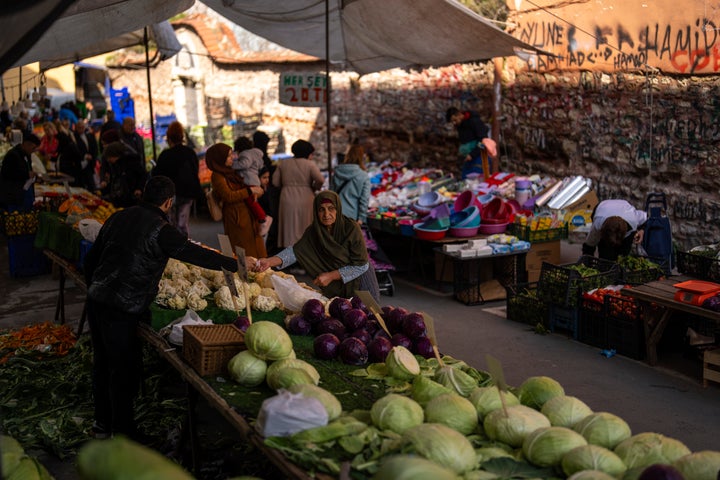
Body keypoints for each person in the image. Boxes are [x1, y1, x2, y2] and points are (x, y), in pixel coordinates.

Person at [83, 175, 239, 441]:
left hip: (97, 299)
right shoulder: (162, 230)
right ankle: (124, 435)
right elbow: (193, 253)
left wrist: (96, 288)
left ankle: (102, 424)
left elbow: (91, 260)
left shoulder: (118, 217)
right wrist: (233, 264)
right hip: (122, 307)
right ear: (169, 202)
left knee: (102, 364)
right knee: (122, 370)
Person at [254, 190, 380, 301]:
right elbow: (295, 252)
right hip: (337, 287)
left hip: (361, 281)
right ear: (316, 211)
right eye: (321, 209)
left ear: (338, 209)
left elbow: (361, 265)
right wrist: (269, 262)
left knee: (368, 318)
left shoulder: (351, 228)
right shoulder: (314, 231)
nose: (326, 214)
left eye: (331, 208)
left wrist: (331, 276)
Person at [206, 142, 267, 258]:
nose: (233, 158)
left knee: (256, 250)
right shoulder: (218, 176)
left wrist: (255, 191)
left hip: (248, 215)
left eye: (231, 154)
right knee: (244, 253)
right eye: (228, 156)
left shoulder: (231, 172)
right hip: (236, 218)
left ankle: (259, 274)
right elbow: (228, 196)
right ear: (220, 158)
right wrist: (250, 191)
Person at [152, 121, 203, 237]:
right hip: (188, 193)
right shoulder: (190, 153)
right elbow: (195, 171)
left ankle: (174, 247)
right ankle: (184, 246)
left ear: (169, 138)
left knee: (171, 224)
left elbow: (158, 174)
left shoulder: (166, 155)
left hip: (171, 195)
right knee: (182, 223)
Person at [272, 139, 325, 248]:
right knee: (305, 225)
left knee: (289, 227)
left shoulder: (283, 164)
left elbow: (275, 182)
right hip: (306, 196)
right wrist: (315, 188)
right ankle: (304, 251)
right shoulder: (310, 164)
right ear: (307, 153)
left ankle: (288, 253)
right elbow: (320, 179)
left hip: (286, 197)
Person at [582, 199, 647, 261]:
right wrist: (587, 263)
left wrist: (641, 230)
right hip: (603, 207)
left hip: (624, 208)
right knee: (605, 255)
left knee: (623, 254)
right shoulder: (597, 225)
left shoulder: (633, 219)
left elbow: (646, 218)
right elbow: (589, 246)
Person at [446, 106, 497, 179]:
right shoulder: (460, 126)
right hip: (468, 158)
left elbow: (483, 142)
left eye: (455, 120)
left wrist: (472, 154)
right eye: (452, 122)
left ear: (459, 114)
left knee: (478, 181)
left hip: (479, 157)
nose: (454, 123)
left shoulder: (475, 122)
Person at [233, 136, 270, 236]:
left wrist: (233, 165)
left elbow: (244, 164)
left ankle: (263, 219)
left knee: (251, 202)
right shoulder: (256, 154)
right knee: (253, 201)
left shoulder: (245, 154)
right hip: (255, 180)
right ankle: (260, 220)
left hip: (249, 181)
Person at [331, 144, 371, 224]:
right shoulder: (363, 176)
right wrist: (361, 218)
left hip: (335, 214)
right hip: (352, 216)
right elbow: (364, 199)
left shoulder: (337, 172)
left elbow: (331, 194)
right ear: (361, 157)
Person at [0, 132, 40, 211]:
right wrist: (26, 174)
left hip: (23, 193)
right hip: (12, 195)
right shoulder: (12, 155)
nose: (34, 151)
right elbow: (7, 174)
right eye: (33, 148)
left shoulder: (26, 154)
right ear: (27, 144)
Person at [99, 141, 147, 207]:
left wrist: (139, 188)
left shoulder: (131, 162)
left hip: (131, 198)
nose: (108, 160)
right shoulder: (115, 165)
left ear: (115, 155)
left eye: (109, 157)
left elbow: (143, 175)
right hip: (121, 198)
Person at [72, 118, 100, 191]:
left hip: (90, 165)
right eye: (79, 127)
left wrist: (93, 158)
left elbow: (95, 149)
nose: (81, 129)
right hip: (79, 166)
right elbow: (74, 150)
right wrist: (84, 156)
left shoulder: (90, 136)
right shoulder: (73, 138)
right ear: (76, 128)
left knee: (92, 186)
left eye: (82, 127)